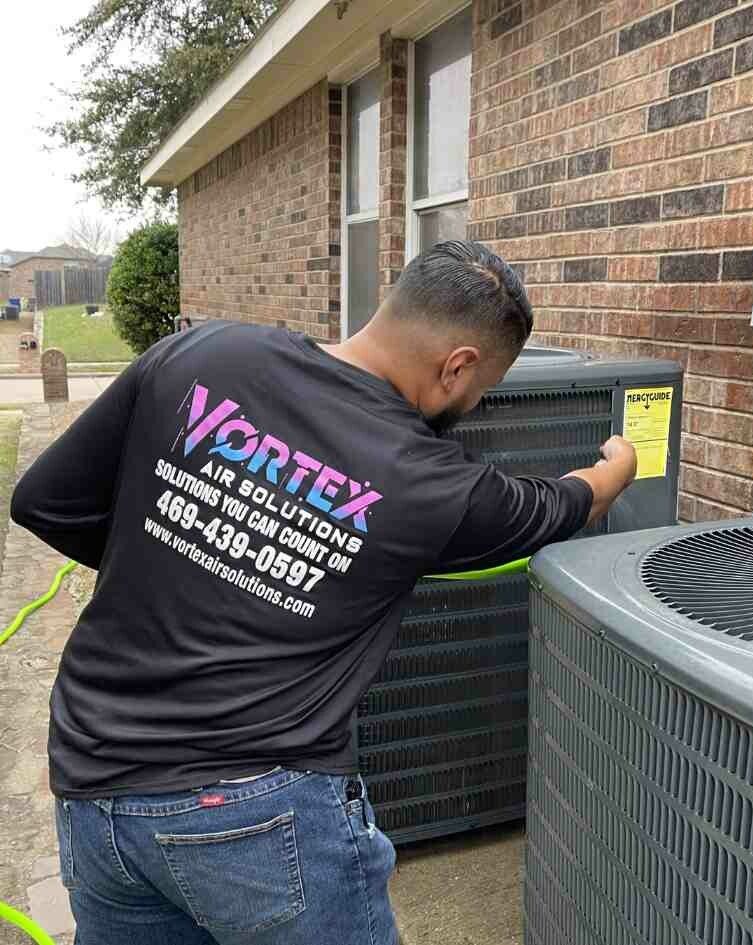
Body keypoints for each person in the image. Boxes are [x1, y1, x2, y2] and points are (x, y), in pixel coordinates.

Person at [11, 241, 637, 945]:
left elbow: (43, 501)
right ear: (456, 364)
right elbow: (564, 502)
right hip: (255, 812)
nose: (474, 399)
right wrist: (622, 459)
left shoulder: (202, 354)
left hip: (92, 784)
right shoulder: (433, 484)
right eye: (480, 385)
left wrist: (194, 565)